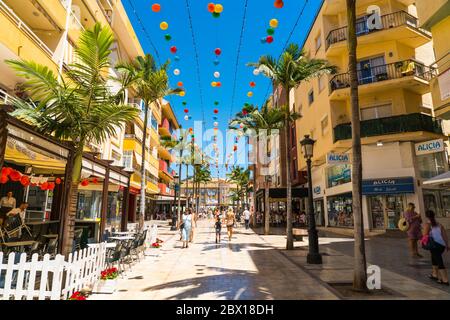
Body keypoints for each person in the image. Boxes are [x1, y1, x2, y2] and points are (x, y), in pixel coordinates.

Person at [423, 210, 449, 285]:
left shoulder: (428, 225)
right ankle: (435, 274)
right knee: (434, 257)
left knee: (439, 261)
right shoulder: (439, 224)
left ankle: (445, 279)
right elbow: (444, 236)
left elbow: (424, 235)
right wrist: (447, 245)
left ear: (426, 217)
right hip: (442, 245)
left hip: (434, 245)